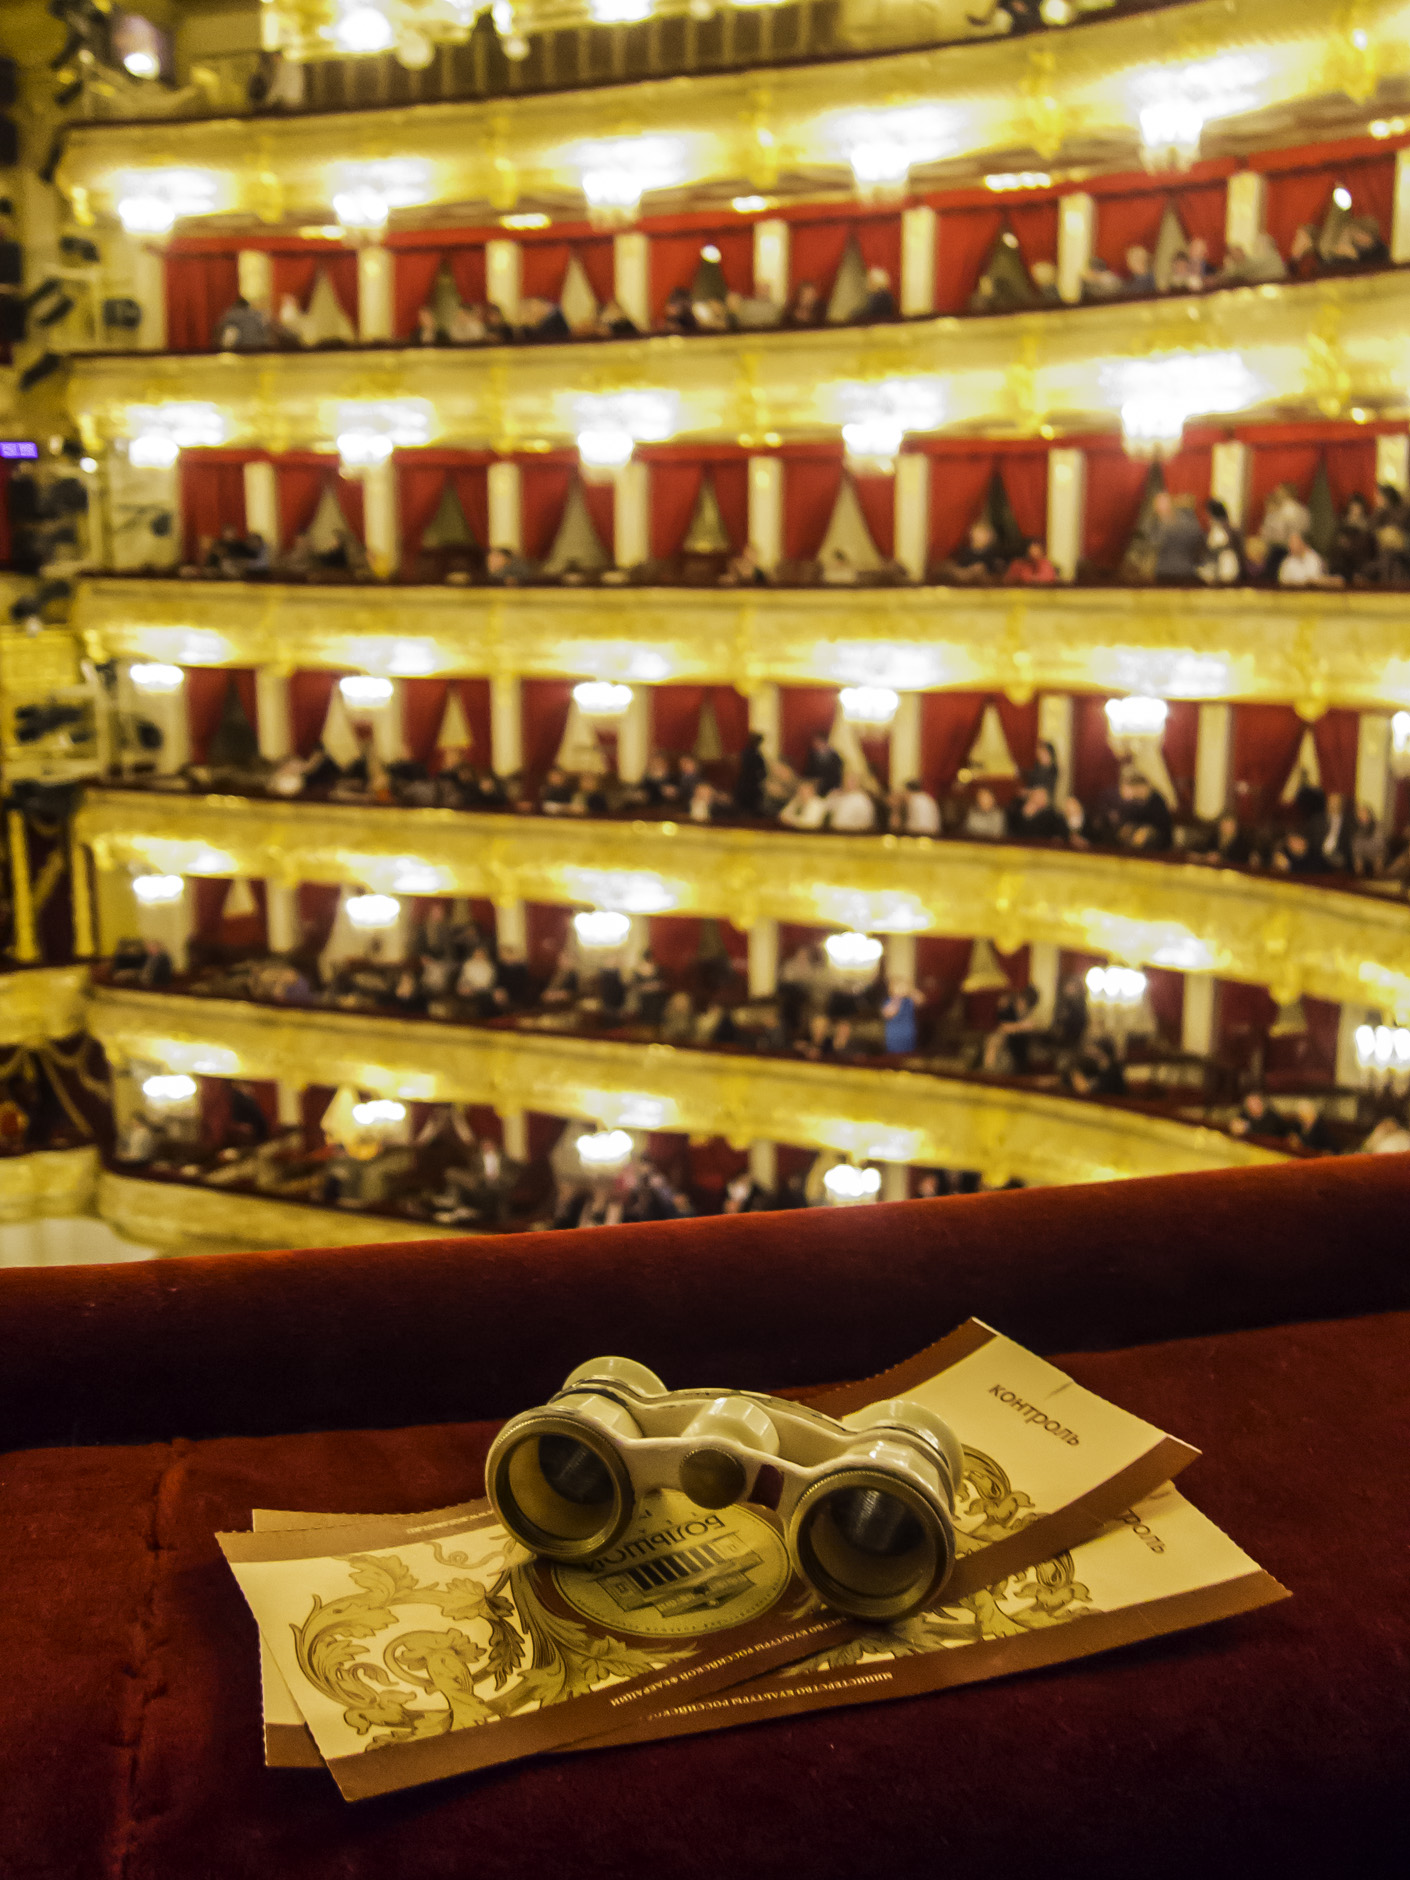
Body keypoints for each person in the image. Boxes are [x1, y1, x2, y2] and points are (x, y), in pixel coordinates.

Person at [1152, 491, 1206, 584]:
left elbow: (1155, 542)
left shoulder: (1167, 524)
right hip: (1187, 570)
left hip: (1166, 571)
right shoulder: (1195, 525)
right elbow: (1200, 546)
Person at [943, 518, 1008, 584]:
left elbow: (996, 569)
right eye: (978, 533)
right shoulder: (966, 552)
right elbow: (961, 565)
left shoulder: (992, 554)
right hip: (966, 579)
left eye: (983, 533)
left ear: (990, 537)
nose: (979, 537)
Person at [1198, 498, 1243, 585]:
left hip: (1227, 564)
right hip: (1213, 565)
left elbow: (1238, 550)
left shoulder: (1229, 530)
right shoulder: (1210, 530)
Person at [733, 731, 768, 816]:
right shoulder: (757, 755)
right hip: (752, 785)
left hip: (742, 784)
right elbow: (763, 772)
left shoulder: (744, 753)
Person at [881, 977, 918, 1054]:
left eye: (903, 986)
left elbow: (921, 1001)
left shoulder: (908, 1000)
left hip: (909, 1034)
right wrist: (897, 998)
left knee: (909, 1056)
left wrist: (911, 991)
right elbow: (889, 1014)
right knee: (895, 1057)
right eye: (898, 987)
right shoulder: (889, 1002)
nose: (902, 989)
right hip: (895, 1036)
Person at [802, 732, 843, 797]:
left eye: (818, 742)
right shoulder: (812, 756)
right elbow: (808, 772)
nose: (815, 745)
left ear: (824, 742)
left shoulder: (835, 757)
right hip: (816, 788)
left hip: (832, 788)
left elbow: (838, 774)